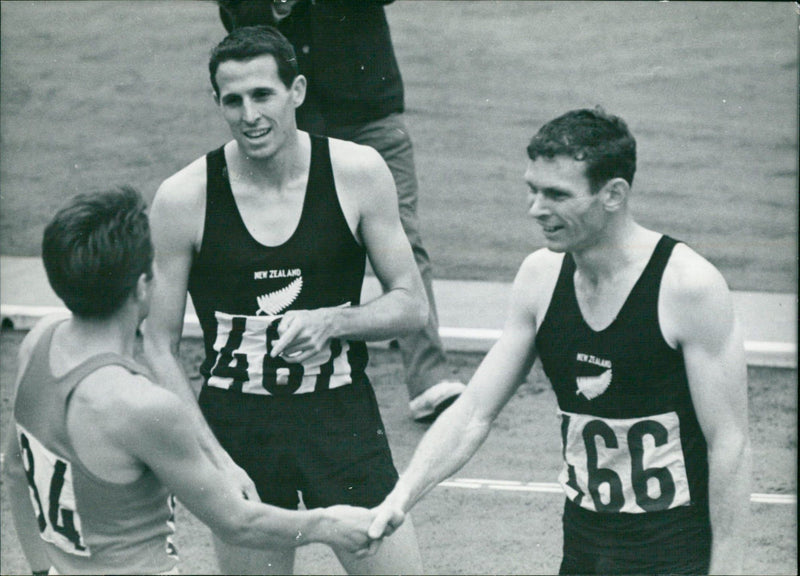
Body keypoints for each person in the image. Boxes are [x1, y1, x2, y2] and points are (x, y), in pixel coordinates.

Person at [368, 108, 752, 574]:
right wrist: (401, 496)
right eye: (532, 190)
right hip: (585, 554)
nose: (535, 209)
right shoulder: (539, 278)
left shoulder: (688, 286)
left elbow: (728, 442)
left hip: (675, 558)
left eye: (556, 194)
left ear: (613, 194)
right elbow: (472, 412)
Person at [142, 25, 424, 575]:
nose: (250, 115)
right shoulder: (183, 198)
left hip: (340, 419)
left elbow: (412, 305)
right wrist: (215, 459)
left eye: (263, 95)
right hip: (239, 429)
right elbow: (157, 345)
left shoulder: (358, 173)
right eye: (233, 100)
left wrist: (334, 321)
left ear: (296, 90)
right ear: (217, 103)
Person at [3, 186, 381, 576]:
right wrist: (329, 524)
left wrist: (39, 570)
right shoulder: (141, 406)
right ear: (141, 287)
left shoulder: (38, 344)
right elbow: (238, 522)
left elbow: (15, 469)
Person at [215, 0, 466, 422]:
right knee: (302, 242)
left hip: (370, 110)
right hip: (294, 118)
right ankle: (298, 369)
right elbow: (238, 25)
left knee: (402, 237)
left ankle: (428, 378)